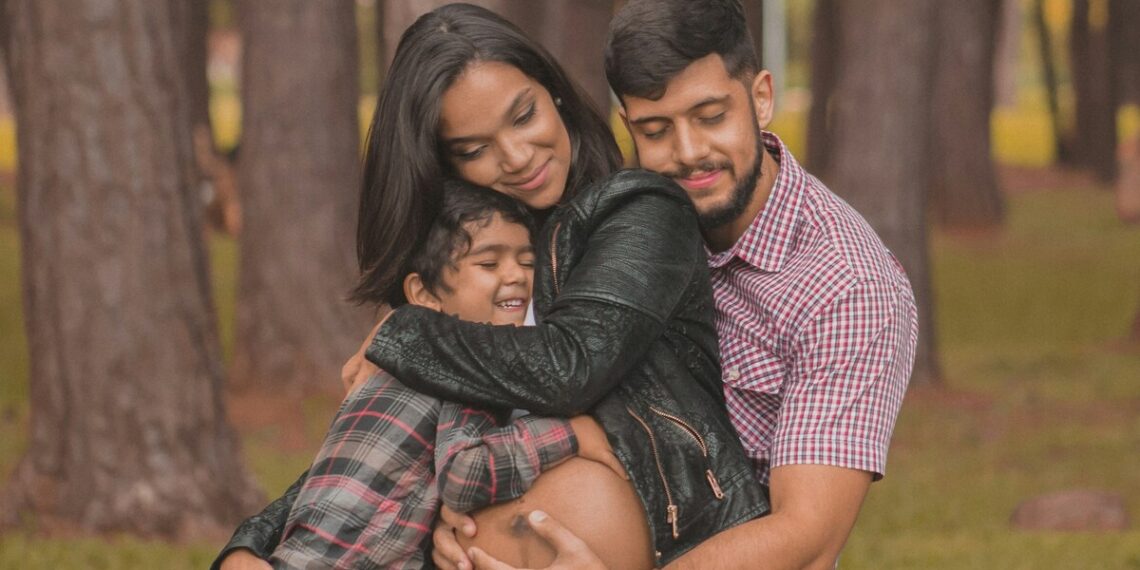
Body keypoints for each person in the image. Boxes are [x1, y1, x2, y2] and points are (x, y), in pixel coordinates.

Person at [213, 3, 768, 569]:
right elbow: (384, 440)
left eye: (523, 115)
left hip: (676, 541)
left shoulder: (640, 210)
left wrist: (406, 329)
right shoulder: (470, 273)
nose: (517, 156)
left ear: (552, 92)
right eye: (474, 149)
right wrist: (254, 542)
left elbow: (570, 366)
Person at [439, 1, 919, 568]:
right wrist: (453, 521)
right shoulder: (624, 217)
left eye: (711, 115)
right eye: (656, 129)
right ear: (629, 127)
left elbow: (806, 541)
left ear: (761, 97)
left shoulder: (846, 286)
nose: (689, 153)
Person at [262, 181, 629, 568]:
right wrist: (572, 435)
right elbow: (464, 476)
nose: (517, 275)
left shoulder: (389, 369)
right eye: (489, 263)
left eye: (527, 261)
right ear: (423, 294)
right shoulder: (466, 366)